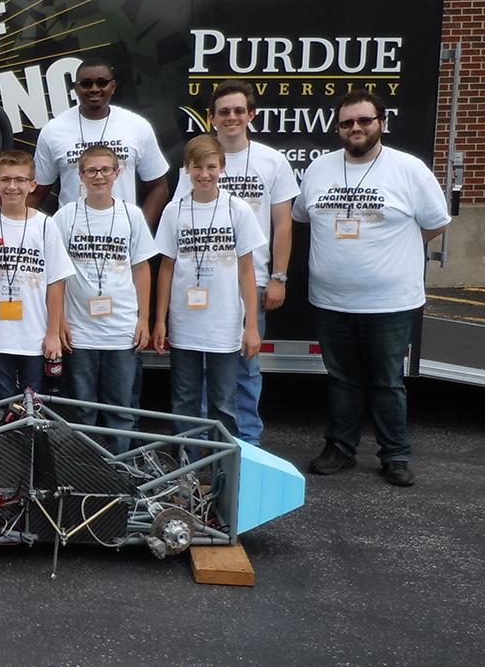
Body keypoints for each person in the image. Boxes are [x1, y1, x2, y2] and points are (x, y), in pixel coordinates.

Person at [296, 90, 451, 487]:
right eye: (348, 122)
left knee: (386, 381)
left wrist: (392, 256)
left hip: (390, 302)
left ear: (381, 122)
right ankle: (341, 448)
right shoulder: (318, 170)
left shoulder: (409, 170)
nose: (356, 128)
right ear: (338, 128)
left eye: (364, 120)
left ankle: (395, 455)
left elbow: (435, 223)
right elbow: (302, 215)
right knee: (342, 379)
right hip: (331, 300)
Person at [169, 80, 298, 445]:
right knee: (209, 375)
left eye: (239, 110)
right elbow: (179, 219)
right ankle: (210, 445)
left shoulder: (272, 161)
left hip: (250, 280)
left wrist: (279, 277)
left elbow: (283, 222)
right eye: (224, 111)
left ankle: (246, 444)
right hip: (205, 284)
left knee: (245, 368)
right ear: (211, 118)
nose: (232, 117)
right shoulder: (194, 165)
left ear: (251, 115)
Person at [153, 135, 264, 446]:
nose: (204, 173)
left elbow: (246, 270)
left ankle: (220, 475)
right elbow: (167, 267)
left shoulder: (238, 210)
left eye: (211, 166)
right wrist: (160, 321)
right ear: (186, 168)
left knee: (224, 404)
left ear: (222, 168)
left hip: (225, 324)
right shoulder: (174, 211)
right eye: (197, 166)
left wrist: (251, 326)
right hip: (185, 324)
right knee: (184, 402)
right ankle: (186, 474)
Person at [54, 146, 156, 454]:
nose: (99, 176)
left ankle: (120, 472)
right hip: (79, 332)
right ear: (80, 175)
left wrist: (143, 319)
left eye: (105, 170)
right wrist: (58, 322)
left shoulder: (132, 215)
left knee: (121, 411)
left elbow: (141, 268)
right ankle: (87, 473)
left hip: (121, 330)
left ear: (117, 173)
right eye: (91, 171)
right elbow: (55, 275)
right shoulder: (66, 216)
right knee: (82, 411)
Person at [0, 150, 73, 402]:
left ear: (32, 185)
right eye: (5, 179)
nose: (12, 186)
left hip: (34, 335)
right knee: (2, 402)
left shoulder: (45, 225)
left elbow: (56, 283)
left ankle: (31, 443)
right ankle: (8, 442)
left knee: (33, 402)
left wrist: (53, 334)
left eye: (20, 180)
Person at [35, 56, 170, 225]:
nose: (94, 89)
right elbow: (37, 191)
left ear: (113, 87)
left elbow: (159, 187)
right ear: (75, 88)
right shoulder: (53, 130)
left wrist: (139, 231)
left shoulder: (137, 126)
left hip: (122, 240)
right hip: (71, 239)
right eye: (86, 83)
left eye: (101, 82)